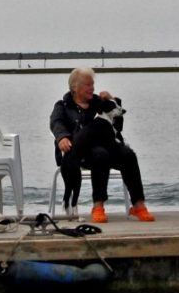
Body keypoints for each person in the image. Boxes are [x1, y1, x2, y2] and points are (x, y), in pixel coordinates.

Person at [50, 67, 154, 223]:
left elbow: (118, 125)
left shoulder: (99, 102)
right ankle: (98, 206)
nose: (92, 88)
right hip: (80, 152)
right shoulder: (63, 106)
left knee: (128, 155)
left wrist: (112, 99)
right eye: (87, 85)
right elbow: (56, 123)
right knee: (100, 155)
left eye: (92, 84)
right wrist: (62, 137)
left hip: (109, 144)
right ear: (74, 87)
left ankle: (139, 205)